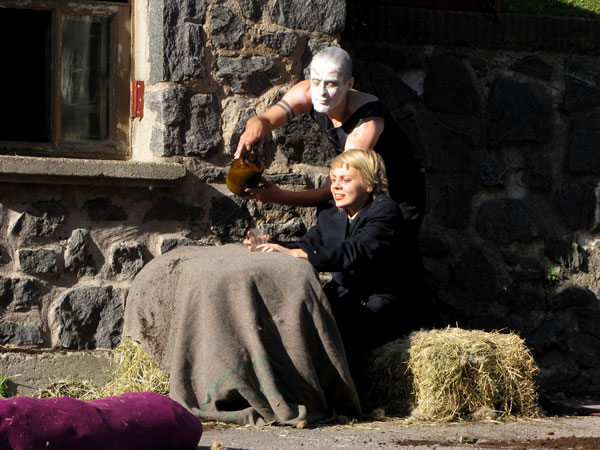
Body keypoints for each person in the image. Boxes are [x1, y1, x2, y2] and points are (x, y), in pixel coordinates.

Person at [249, 149, 428, 399]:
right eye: (333, 180)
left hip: (381, 297)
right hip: (346, 294)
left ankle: (343, 397)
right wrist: (273, 247)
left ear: (369, 184)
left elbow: (353, 252)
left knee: (343, 327)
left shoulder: (385, 211)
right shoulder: (331, 212)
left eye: (346, 180)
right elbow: (308, 244)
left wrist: (299, 254)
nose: (336, 187)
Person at [235, 46, 425, 240]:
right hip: (355, 187)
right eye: (316, 82)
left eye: (331, 84)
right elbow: (266, 120)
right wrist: (255, 126)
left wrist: (280, 197)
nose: (321, 92)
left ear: (349, 84)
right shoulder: (306, 92)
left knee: (386, 250)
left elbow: (333, 188)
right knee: (332, 239)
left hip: (397, 191)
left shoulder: (366, 125)